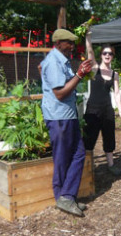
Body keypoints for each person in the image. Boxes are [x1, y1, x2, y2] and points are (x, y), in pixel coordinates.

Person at [40, 28, 93, 217]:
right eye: (69, 43)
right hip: (59, 116)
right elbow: (60, 93)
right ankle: (63, 197)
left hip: (67, 115)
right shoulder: (54, 62)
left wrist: (79, 74)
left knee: (78, 154)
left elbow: (42, 69)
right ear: (59, 43)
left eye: (73, 43)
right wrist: (79, 75)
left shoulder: (58, 60)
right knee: (63, 157)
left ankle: (66, 196)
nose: (72, 46)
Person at [83, 33, 121, 176]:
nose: (107, 55)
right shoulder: (95, 68)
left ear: (113, 56)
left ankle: (111, 165)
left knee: (109, 137)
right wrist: (88, 36)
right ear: (101, 55)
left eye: (110, 53)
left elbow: (117, 93)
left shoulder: (115, 74)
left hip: (107, 110)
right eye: (105, 53)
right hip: (93, 110)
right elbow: (89, 51)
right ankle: (88, 167)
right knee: (89, 139)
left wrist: (120, 110)